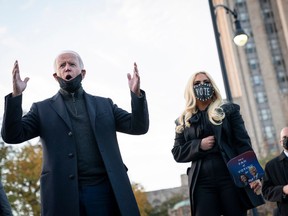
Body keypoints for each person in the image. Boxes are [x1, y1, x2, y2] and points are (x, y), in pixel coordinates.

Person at [1, 50, 149, 216]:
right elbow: (12, 135)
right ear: (56, 76)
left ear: (83, 72)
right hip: (62, 194)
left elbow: (138, 127)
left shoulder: (105, 105)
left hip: (105, 191)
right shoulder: (41, 110)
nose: (67, 68)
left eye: (72, 64)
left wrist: (136, 96)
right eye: (62, 65)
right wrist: (16, 95)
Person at [171, 71, 264, 216]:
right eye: (197, 83)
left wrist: (252, 175)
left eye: (206, 82)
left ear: (212, 86)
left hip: (230, 177)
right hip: (202, 182)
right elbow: (177, 152)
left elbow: (243, 144)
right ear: (190, 89)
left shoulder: (229, 111)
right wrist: (198, 145)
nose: (202, 85)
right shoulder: (183, 120)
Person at [262, 127, 288, 216]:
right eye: (284, 137)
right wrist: (283, 189)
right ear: (280, 142)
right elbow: (266, 192)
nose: (287, 139)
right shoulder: (271, 166)